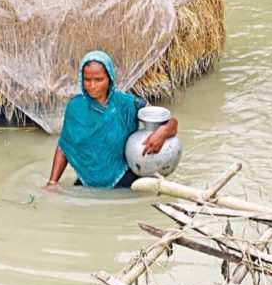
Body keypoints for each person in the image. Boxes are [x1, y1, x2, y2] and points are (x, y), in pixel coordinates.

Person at [46, 50, 178, 189]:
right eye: (87, 80)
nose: (92, 86)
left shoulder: (127, 104)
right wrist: (52, 183)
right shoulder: (75, 108)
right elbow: (64, 147)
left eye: (98, 79)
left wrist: (163, 131)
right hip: (87, 182)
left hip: (127, 179)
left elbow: (171, 122)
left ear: (110, 78)